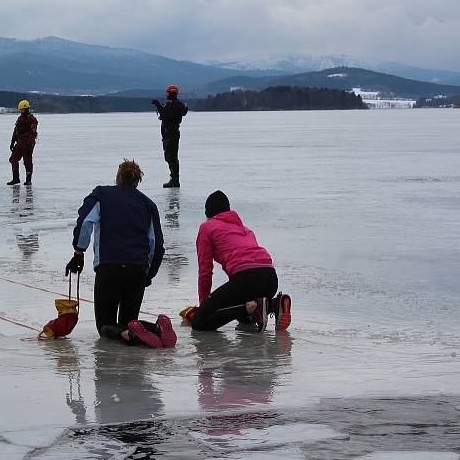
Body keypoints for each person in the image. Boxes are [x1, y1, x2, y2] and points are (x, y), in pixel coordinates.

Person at [65, 159, 175, 348]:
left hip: (109, 268)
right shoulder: (148, 204)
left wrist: (78, 252)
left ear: (118, 178)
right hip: (137, 270)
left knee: (105, 326)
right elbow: (156, 244)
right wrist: (148, 274)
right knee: (129, 322)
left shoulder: (102, 195)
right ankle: (157, 328)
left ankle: (135, 332)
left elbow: (86, 221)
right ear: (137, 181)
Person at [186, 190, 291, 332]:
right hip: (271, 279)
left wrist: (204, 305)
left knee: (199, 322)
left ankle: (253, 307)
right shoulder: (245, 229)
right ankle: (273, 304)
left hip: (246, 279)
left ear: (208, 214)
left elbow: (205, 270)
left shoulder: (207, 227)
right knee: (246, 319)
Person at [152, 84, 188, 188]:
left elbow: (167, 115)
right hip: (169, 134)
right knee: (169, 157)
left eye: (167, 93)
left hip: (171, 135)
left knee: (172, 157)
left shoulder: (175, 105)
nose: (166, 95)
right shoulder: (175, 104)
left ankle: (175, 180)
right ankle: (174, 179)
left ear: (170, 93)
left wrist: (159, 106)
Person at [7, 99, 38, 186]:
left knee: (27, 161)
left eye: (22, 110)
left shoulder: (32, 119)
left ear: (27, 109)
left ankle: (28, 180)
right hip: (19, 142)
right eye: (20, 110)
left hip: (27, 142)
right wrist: (12, 142)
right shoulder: (20, 119)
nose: (21, 111)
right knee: (13, 159)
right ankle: (16, 179)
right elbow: (15, 131)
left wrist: (30, 143)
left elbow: (33, 132)